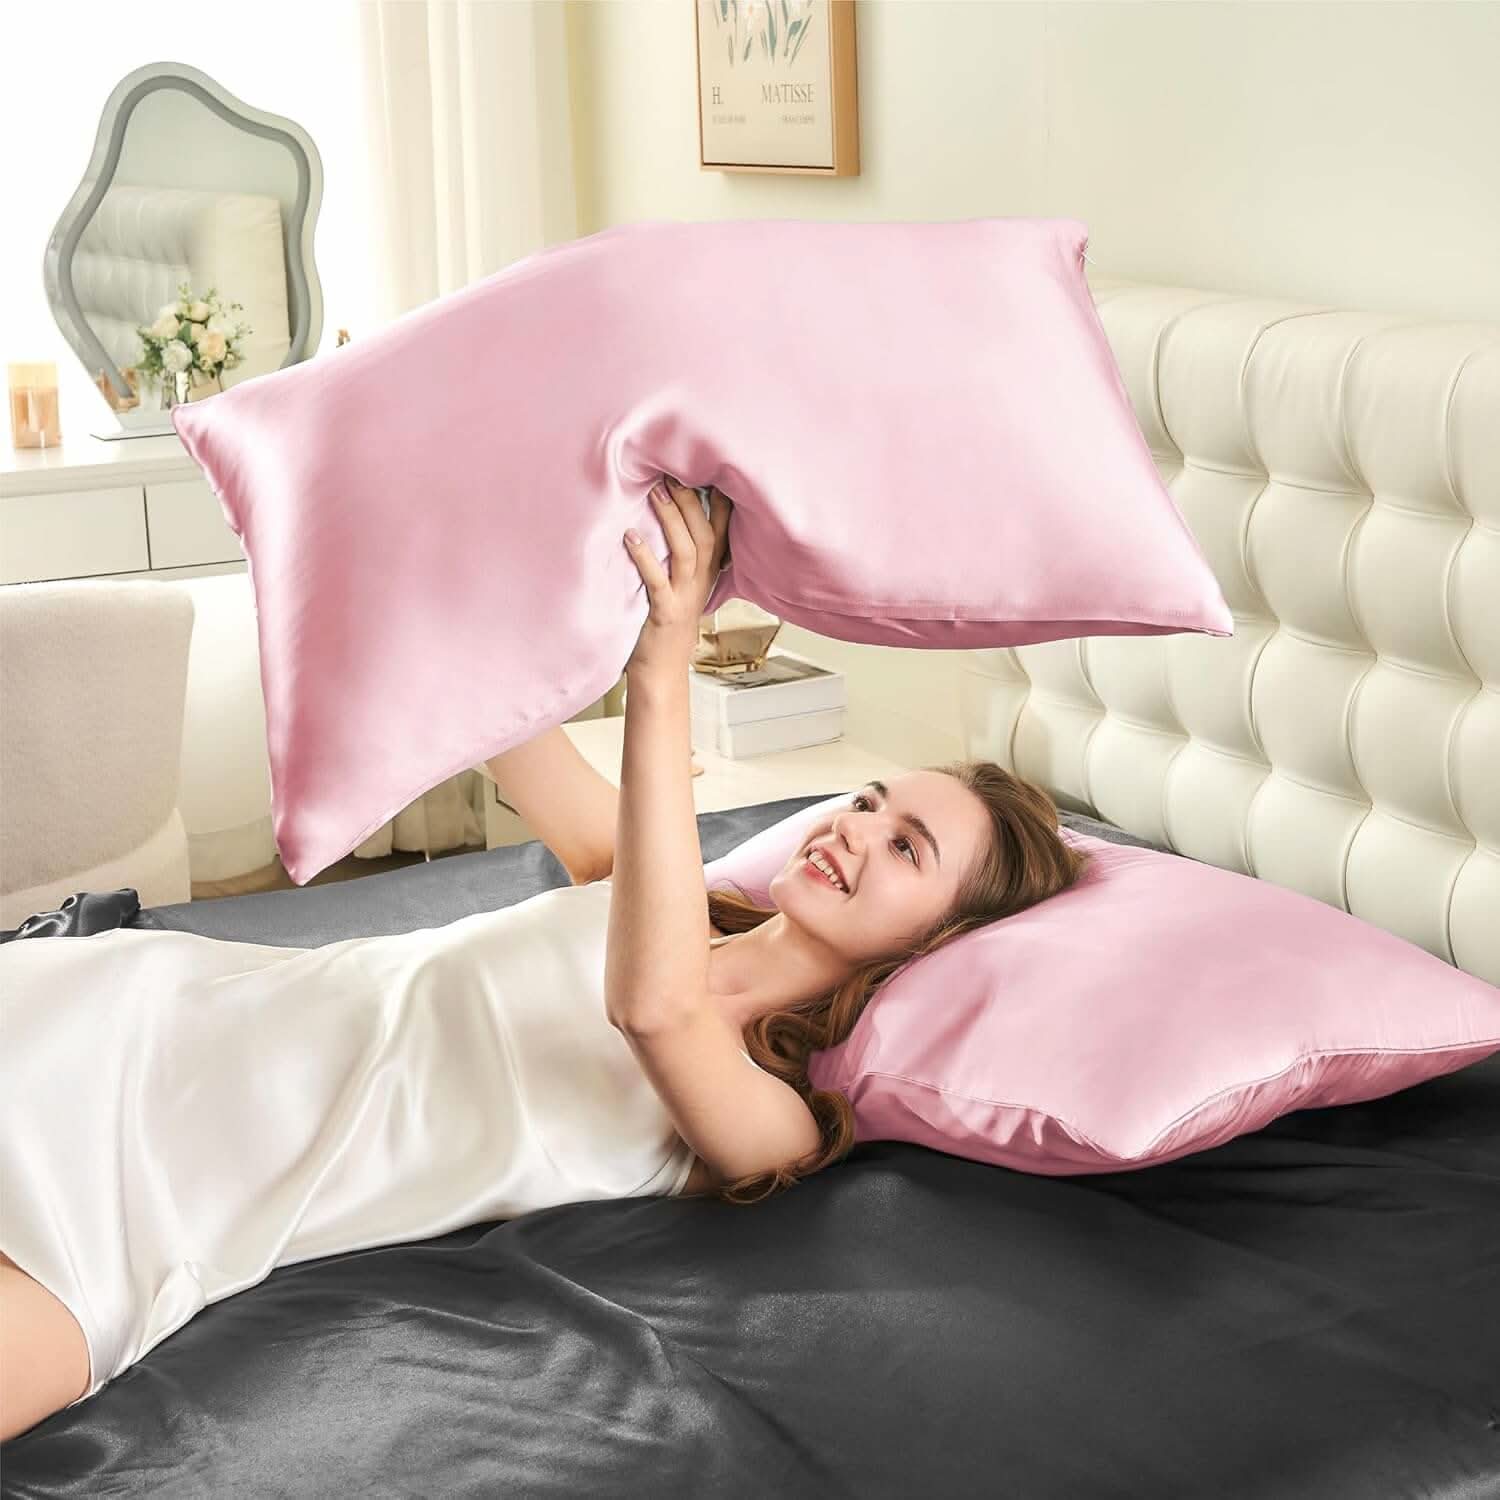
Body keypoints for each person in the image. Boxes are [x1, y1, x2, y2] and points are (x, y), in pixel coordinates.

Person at [0, 476, 1090, 1443]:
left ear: (938, 943)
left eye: (907, 848)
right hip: (142, 1019)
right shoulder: (642, 877)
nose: (854, 829)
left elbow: (655, 1010)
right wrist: (463, 527)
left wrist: (663, 668)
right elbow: (491, 712)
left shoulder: (779, 1121)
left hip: (191, 1200)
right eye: (869, 801)